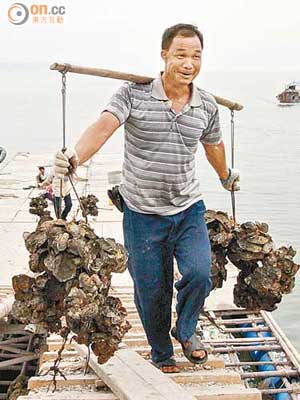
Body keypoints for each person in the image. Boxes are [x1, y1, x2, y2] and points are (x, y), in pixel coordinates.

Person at [54, 23, 240, 373]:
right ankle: (161, 352)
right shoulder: (132, 94)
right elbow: (103, 127)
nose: (189, 63)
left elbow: (213, 145)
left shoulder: (207, 105)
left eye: (196, 56)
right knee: (151, 291)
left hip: (187, 208)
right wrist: (75, 157)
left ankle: (185, 330)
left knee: (200, 273)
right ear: (164, 54)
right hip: (141, 213)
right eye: (181, 54)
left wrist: (224, 175)